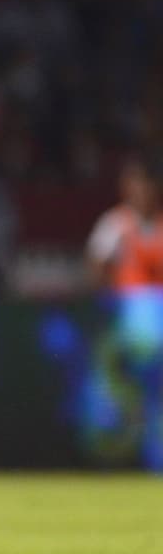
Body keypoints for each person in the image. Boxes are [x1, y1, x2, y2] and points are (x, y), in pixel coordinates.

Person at [85, 154, 163, 471]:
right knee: (122, 397)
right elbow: (95, 267)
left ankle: (155, 457)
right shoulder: (115, 224)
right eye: (133, 182)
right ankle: (114, 455)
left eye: (145, 183)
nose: (139, 189)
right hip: (128, 324)